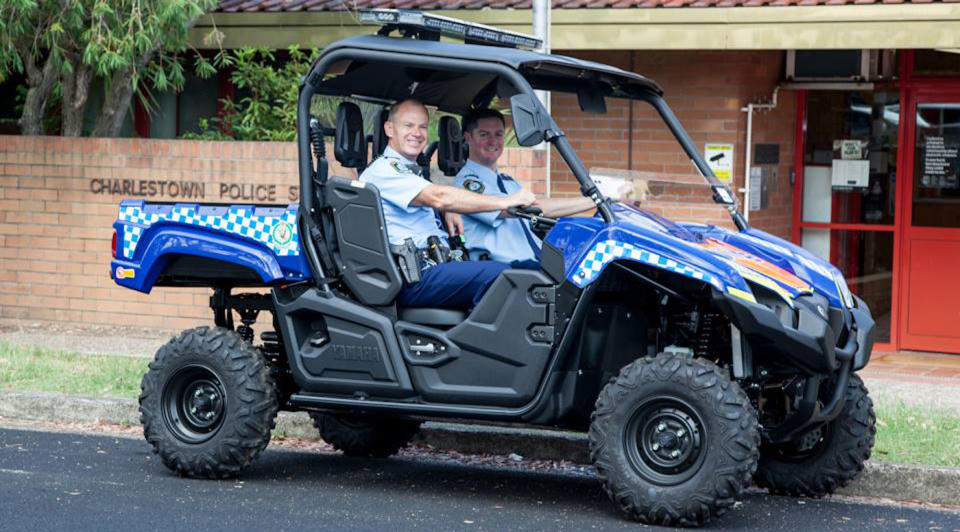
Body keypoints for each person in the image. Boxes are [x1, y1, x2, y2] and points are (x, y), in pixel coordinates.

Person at [359, 99, 536, 310]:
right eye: (408, 125)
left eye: (422, 126)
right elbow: (438, 196)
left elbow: (436, 199)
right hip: (415, 276)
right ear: (389, 128)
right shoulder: (385, 170)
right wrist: (507, 201)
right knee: (501, 275)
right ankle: (483, 342)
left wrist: (445, 209)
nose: (417, 133)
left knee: (528, 271)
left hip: (435, 265)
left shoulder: (410, 172)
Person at [452, 108, 597, 269]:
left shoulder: (507, 181)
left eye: (498, 134)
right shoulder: (467, 184)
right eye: (484, 135)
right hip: (507, 270)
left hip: (535, 263)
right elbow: (530, 209)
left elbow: (538, 204)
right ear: (468, 138)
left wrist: (598, 202)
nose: (493, 141)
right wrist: (596, 200)